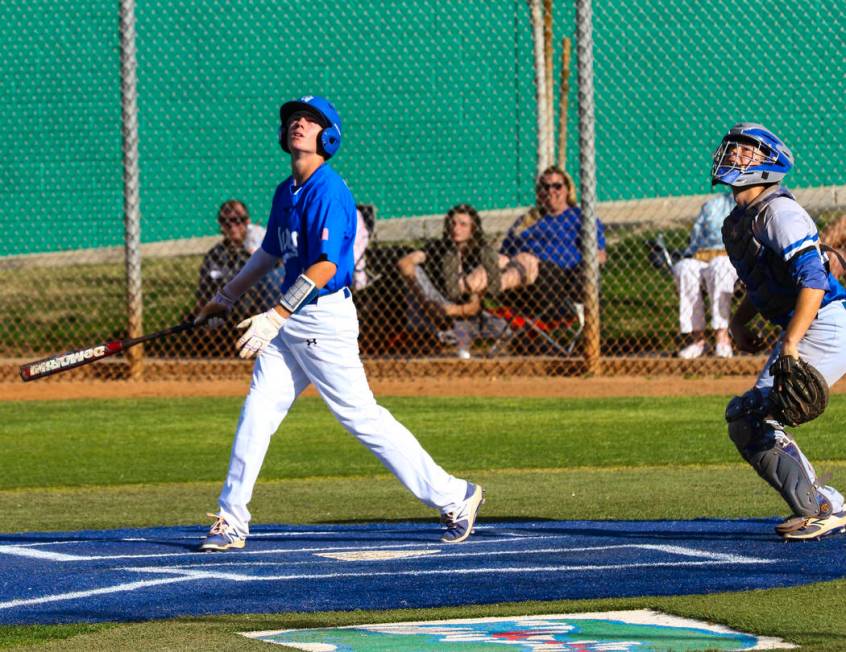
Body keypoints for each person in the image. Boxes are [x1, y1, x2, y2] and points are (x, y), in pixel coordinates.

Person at [194, 95, 484, 551]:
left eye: (309, 121)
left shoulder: (329, 190)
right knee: (258, 411)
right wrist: (225, 296)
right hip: (289, 321)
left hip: (322, 319)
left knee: (361, 418)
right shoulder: (284, 191)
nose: (298, 125)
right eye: (293, 119)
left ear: (328, 136)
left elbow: (327, 266)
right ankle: (232, 519)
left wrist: (275, 314)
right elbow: (270, 253)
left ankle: (455, 495)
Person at [715, 122, 846, 540]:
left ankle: (821, 508)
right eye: (733, 147)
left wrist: (790, 342)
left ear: (771, 163)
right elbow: (767, 282)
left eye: (747, 150)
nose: (734, 153)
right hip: (810, 322)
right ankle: (825, 502)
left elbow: (812, 278)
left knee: (754, 417)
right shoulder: (740, 220)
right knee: (748, 417)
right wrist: (739, 320)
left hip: (825, 321)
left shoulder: (779, 211)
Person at [396, 204, 506, 359]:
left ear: (473, 229)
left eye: (463, 225)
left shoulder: (481, 253)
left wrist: (452, 310)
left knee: (502, 330)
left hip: (470, 311)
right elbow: (405, 263)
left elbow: (474, 306)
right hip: (437, 303)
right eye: (453, 224)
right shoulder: (438, 248)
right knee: (415, 271)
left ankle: (454, 335)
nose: (456, 229)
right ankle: (443, 334)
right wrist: (426, 301)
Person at [499, 166, 606, 305]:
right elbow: (505, 251)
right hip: (518, 273)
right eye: (545, 187)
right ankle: (465, 285)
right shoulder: (527, 219)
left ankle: (497, 285)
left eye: (557, 186)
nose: (551, 191)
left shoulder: (581, 218)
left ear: (568, 190)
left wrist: (585, 266)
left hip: (556, 279)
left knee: (530, 262)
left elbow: (600, 255)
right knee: (499, 259)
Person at [193, 200, 277, 348]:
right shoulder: (214, 255)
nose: (232, 226)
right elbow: (203, 291)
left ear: (247, 222)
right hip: (225, 314)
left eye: (237, 220)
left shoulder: (261, 247)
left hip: (257, 310)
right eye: (226, 222)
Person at [672, 192, 738, 359]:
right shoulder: (712, 205)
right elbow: (696, 238)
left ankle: (722, 337)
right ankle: (698, 340)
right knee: (685, 268)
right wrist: (692, 253)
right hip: (705, 255)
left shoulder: (757, 202)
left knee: (720, 266)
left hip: (736, 259)